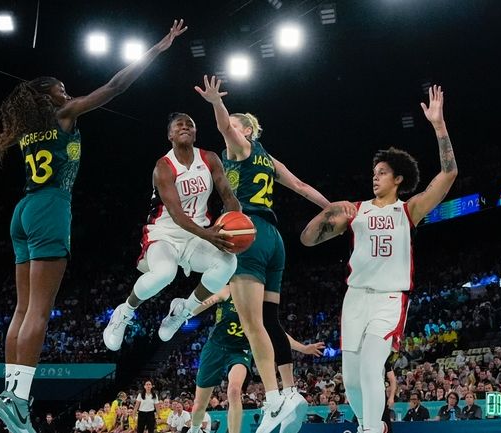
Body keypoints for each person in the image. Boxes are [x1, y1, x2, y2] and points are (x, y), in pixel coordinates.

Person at [0, 20, 188, 433]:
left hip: (24, 210)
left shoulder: (23, 129)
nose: (67, 93)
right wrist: (157, 48)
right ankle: (17, 400)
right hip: (52, 205)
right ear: (46, 96)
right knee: (38, 310)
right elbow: (116, 85)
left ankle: (10, 393)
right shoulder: (63, 114)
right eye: (61, 89)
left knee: (22, 309)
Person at [194, 75, 355, 433]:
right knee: (269, 321)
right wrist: (334, 208)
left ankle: (274, 399)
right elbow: (299, 185)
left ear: (247, 132)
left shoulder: (241, 149)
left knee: (252, 326)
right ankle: (289, 390)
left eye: (236, 128)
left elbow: (223, 126)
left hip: (246, 235)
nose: (228, 132)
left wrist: (215, 103)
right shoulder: (268, 159)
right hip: (272, 239)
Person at [300, 85, 458, 433]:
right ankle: (368, 424)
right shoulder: (355, 211)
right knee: (351, 380)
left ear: (398, 179)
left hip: (389, 298)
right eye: (374, 172)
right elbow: (308, 240)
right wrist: (328, 212)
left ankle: (371, 429)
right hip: (355, 298)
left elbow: (448, 175)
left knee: (374, 365)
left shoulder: (408, 210)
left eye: (383, 172)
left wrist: (439, 125)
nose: (375, 176)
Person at [103, 111, 240, 351]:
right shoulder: (163, 167)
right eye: (179, 125)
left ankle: (183, 310)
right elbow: (177, 215)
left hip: (196, 235)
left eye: (190, 124)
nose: (185, 127)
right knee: (165, 272)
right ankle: (124, 312)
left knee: (229, 263)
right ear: (170, 135)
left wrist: (235, 222)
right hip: (163, 234)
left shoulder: (209, 158)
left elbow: (229, 197)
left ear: (195, 132)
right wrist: (209, 234)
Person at [186, 286, 325, 433]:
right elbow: (212, 298)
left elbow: (277, 333)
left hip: (240, 351)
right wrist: (208, 300)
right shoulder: (229, 289)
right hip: (215, 348)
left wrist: (303, 348)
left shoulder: (259, 302)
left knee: (234, 391)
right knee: (199, 405)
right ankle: (194, 429)